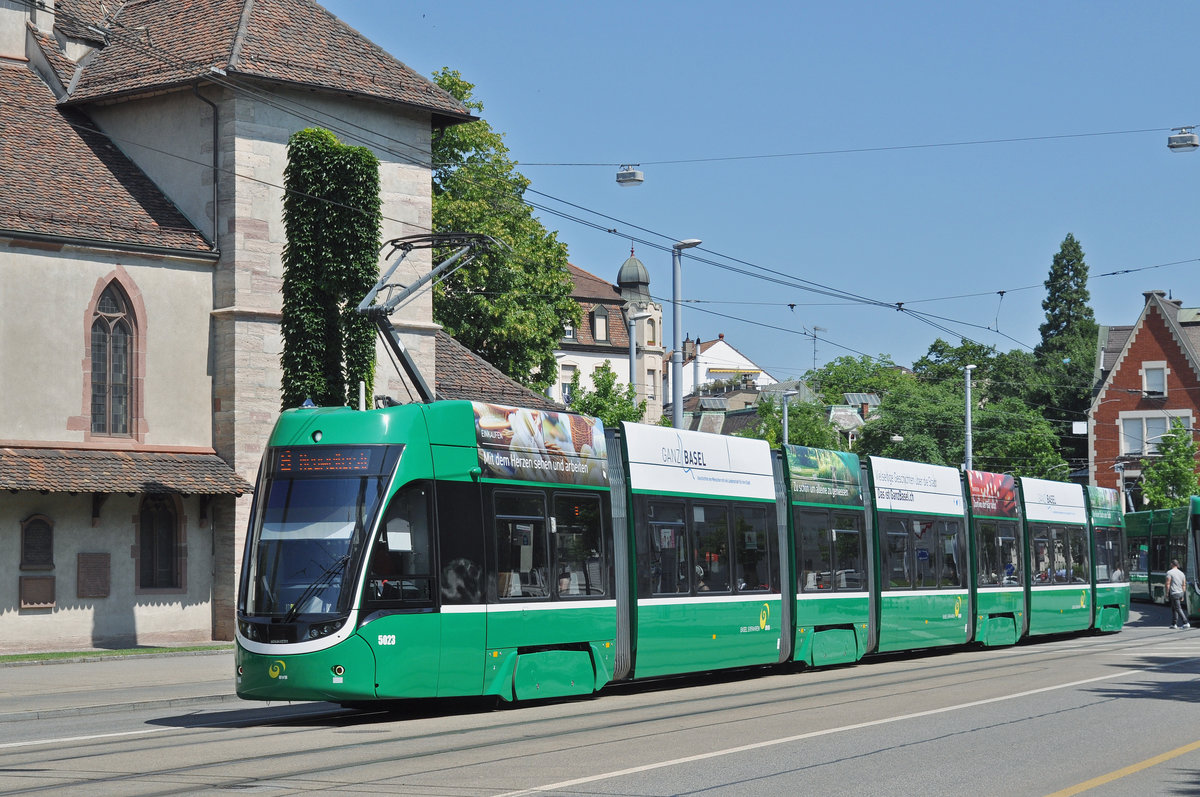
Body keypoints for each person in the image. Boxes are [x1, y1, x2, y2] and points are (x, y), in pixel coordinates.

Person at [1166, 559, 1190, 629]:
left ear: (1172, 564)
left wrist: (1167, 593)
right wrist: (1183, 594)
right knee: (1174, 608)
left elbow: (1168, 583)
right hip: (1180, 592)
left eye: (1171, 564)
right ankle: (1174, 624)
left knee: (1178, 608)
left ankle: (1186, 622)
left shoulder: (1169, 572)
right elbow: (1184, 585)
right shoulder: (1182, 573)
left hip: (1174, 593)